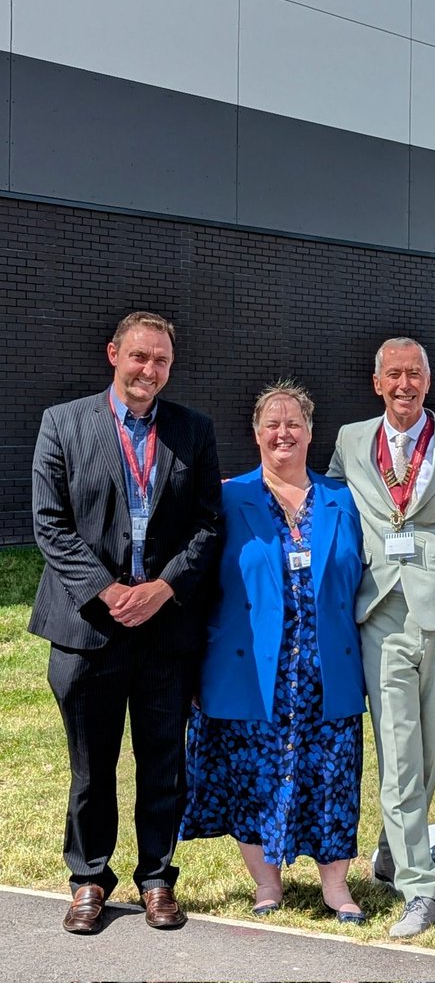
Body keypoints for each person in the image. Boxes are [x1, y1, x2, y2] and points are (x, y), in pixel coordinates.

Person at [30, 311, 222, 935]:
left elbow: (208, 526)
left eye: (161, 360)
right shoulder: (62, 424)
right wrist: (111, 591)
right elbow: (49, 524)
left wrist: (162, 589)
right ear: (114, 353)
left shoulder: (193, 431)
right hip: (87, 627)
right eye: (139, 356)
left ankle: (158, 879)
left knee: (164, 762)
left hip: (165, 629)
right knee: (92, 764)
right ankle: (89, 878)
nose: (150, 370)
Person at [180, 382, 368, 922]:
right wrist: (194, 666)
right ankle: (267, 884)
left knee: (332, 776)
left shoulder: (342, 499)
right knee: (253, 777)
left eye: (294, 423)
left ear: (311, 432)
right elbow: (201, 584)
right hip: (248, 671)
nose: (283, 433)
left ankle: (336, 888)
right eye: (272, 424)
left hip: (325, 669)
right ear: (257, 433)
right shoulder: (228, 497)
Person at [327, 337, 435, 937]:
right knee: (397, 755)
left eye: (414, 374)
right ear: (377, 383)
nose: (404, 385)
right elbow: (340, 516)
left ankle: (394, 849)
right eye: (393, 375)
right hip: (380, 615)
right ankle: (422, 890)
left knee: (427, 751)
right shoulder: (349, 442)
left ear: (429, 380)